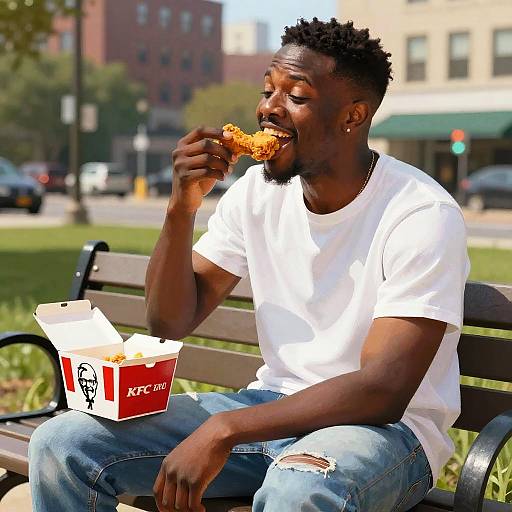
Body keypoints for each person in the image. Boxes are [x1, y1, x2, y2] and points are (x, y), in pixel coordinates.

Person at [28, 18, 470, 512]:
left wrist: (225, 429)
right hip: (268, 410)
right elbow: (169, 321)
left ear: (353, 115)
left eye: (295, 97)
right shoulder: (255, 193)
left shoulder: (418, 213)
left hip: (383, 435)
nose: (267, 109)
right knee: (63, 443)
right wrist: (181, 210)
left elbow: (383, 391)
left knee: (299, 489)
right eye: (267, 91)